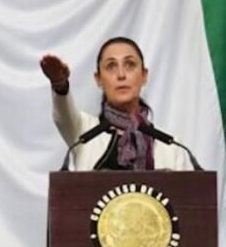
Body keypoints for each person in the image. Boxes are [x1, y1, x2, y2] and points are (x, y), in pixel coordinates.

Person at [40, 37, 193, 170]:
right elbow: (63, 115)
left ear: (144, 76)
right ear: (98, 79)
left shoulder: (171, 145)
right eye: (111, 66)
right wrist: (60, 84)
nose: (121, 75)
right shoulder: (84, 132)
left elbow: (187, 201)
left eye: (130, 65)